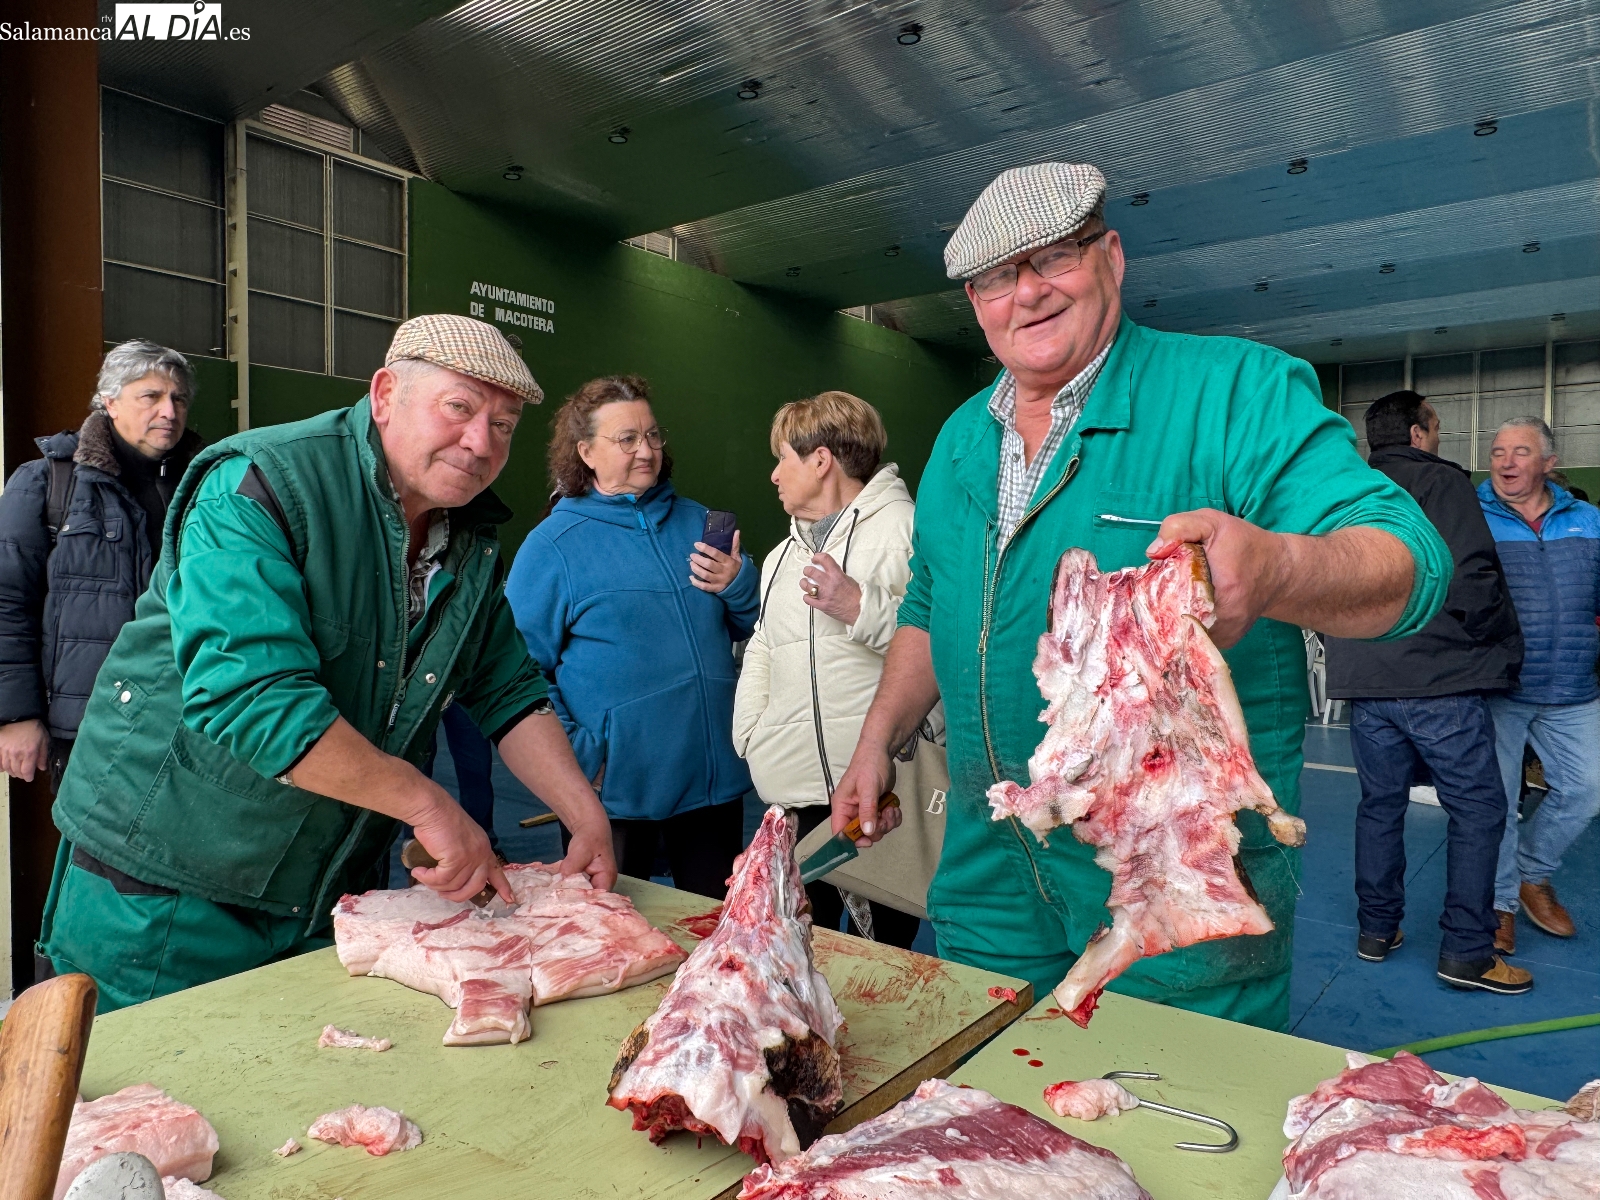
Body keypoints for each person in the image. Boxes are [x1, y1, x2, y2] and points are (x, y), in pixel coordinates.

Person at [826, 161, 1452, 1030]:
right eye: (999, 277)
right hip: (989, 867)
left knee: (1167, 1132)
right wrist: (877, 738)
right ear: (976, 301)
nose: (1029, 293)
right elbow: (931, 606)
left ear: (1111, 256)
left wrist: (1275, 568)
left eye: (1055, 258)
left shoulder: (1234, 391)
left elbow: (1408, 559)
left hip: (1169, 880)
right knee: (990, 1130)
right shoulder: (960, 440)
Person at [38, 315, 617, 1011]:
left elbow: (506, 687)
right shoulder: (260, 483)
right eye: (459, 408)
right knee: (146, 1107)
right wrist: (428, 805)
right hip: (166, 888)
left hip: (319, 889)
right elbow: (252, 697)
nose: (479, 442)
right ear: (384, 395)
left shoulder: (465, 538)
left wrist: (584, 816)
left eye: (504, 424)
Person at [507, 375, 759, 901]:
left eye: (653, 435)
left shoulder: (700, 522)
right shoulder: (552, 546)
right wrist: (580, 753)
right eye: (627, 439)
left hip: (712, 784)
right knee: (613, 940)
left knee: (715, 938)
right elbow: (517, 671)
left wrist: (738, 586)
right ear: (586, 452)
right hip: (614, 792)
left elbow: (751, 626)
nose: (646, 451)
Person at [1324, 391, 1529, 994]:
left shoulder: (1346, 487)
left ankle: (1376, 930)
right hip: (1436, 675)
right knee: (1480, 809)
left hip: (1364, 679)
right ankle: (1466, 951)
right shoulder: (1442, 485)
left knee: (1379, 805)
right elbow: (1473, 576)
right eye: (1436, 426)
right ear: (1418, 434)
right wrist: (1497, 649)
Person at [733, 391, 930, 948]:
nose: (774, 476)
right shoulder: (779, 557)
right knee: (801, 950)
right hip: (793, 791)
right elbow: (764, 644)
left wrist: (857, 607)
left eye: (782, 459)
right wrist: (751, 732)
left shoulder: (904, 529)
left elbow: (941, 645)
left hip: (876, 791)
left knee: (887, 961)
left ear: (820, 461)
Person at [0, 340, 204, 790]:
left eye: (178, 398)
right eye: (150, 396)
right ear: (110, 402)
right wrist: (16, 714)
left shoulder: (207, 488)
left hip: (190, 723)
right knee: (96, 859)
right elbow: (7, 601)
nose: (169, 411)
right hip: (90, 726)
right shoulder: (49, 482)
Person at [1478, 416, 1600, 946]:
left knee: (1588, 788)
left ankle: (1532, 872)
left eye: (1520, 451)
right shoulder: (1472, 519)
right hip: (1502, 687)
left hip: (1574, 685)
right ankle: (1500, 901)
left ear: (1549, 463)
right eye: (1499, 451)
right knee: (1499, 802)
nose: (1506, 461)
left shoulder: (1590, 520)